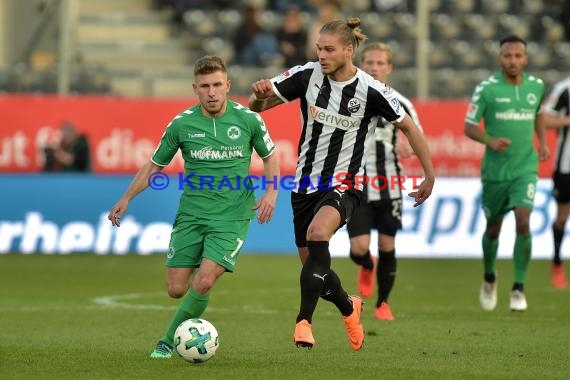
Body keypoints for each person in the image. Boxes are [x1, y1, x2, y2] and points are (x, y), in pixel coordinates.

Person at [249, 18, 434, 350]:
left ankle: (303, 323)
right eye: (319, 48)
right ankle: (350, 307)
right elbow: (256, 110)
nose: (321, 55)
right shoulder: (306, 76)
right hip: (305, 185)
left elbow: (410, 128)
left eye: (329, 49)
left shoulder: (372, 89)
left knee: (318, 234)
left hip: (346, 183)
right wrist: (260, 96)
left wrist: (428, 174)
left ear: (349, 50)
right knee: (315, 269)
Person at [107, 55, 280, 358]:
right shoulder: (182, 124)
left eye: (216, 85)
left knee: (203, 282)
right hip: (191, 214)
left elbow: (271, 157)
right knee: (176, 289)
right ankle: (197, 287)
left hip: (232, 216)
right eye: (204, 86)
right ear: (195, 88)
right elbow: (153, 166)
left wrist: (271, 193)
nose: (211, 92)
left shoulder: (249, 119)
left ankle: (166, 340)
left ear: (227, 86)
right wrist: (126, 198)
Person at [464, 35, 550, 312]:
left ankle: (518, 288)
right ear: (500, 58)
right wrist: (490, 140)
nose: (513, 61)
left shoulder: (536, 86)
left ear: (525, 58)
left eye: (518, 56)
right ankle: (490, 277)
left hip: (525, 168)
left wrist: (544, 142)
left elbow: (538, 114)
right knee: (493, 228)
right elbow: (469, 126)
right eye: (507, 56)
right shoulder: (487, 89)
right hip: (495, 172)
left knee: (523, 221)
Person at [346, 42, 423, 321]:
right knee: (359, 248)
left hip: (388, 184)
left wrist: (411, 149)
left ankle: (383, 303)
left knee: (388, 244)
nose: (374, 67)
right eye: (369, 62)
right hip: (356, 185)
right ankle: (367, 265)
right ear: (360, 63)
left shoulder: (401, 103)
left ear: (388, 68)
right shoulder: (349, 96)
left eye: (380, 63)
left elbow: (419, 137)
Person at [540, 76, 570, 289]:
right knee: (562, 218)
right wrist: (567, 121)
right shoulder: (564, 88)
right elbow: (543, 119)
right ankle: (557, 263)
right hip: (566, 165)